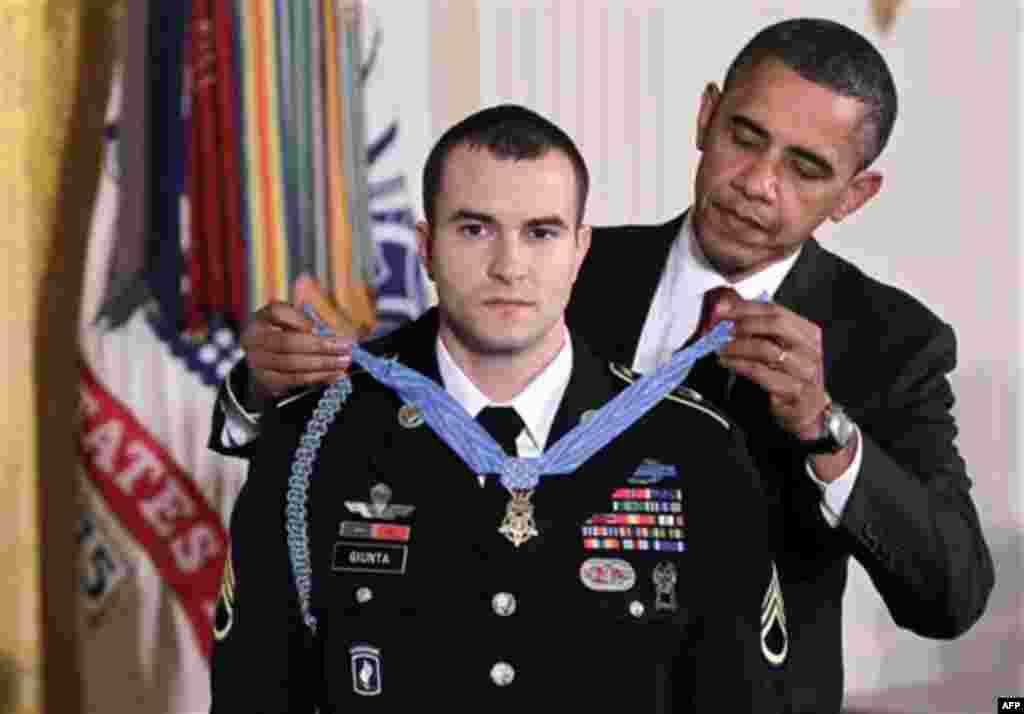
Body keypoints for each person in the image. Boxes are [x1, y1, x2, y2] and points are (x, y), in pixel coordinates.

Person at [212, 19, 995, 712]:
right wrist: (260, 392)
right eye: (745, 137)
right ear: (705, 116)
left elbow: (950, 596)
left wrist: (825, 430)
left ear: (855, 195)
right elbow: (399, 388)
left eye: (806, 169)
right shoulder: (560, 261)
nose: (759, 183)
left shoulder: (892, 340)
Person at [208, 105, 787, 712]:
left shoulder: (690, 446)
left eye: (541, 232)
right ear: (426, 247)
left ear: (580, 251)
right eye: (474, 229)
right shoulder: (317, 435)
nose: (509, 266)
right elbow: (255, 687)